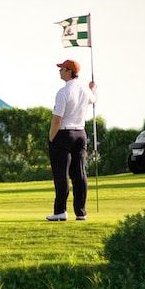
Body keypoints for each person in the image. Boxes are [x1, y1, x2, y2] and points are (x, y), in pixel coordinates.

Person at [46, 59, 97, 222]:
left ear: (69, 71)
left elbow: (57, 120)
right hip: (80, 134)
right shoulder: (84, 90)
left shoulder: (63, 92)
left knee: (61, 173)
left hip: (64, 134)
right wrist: (93, 89)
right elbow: (94, 98)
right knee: (79, 173)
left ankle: (60, 211)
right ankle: (81, 212)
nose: (60, 71)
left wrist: (51, 138)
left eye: (62, 69)